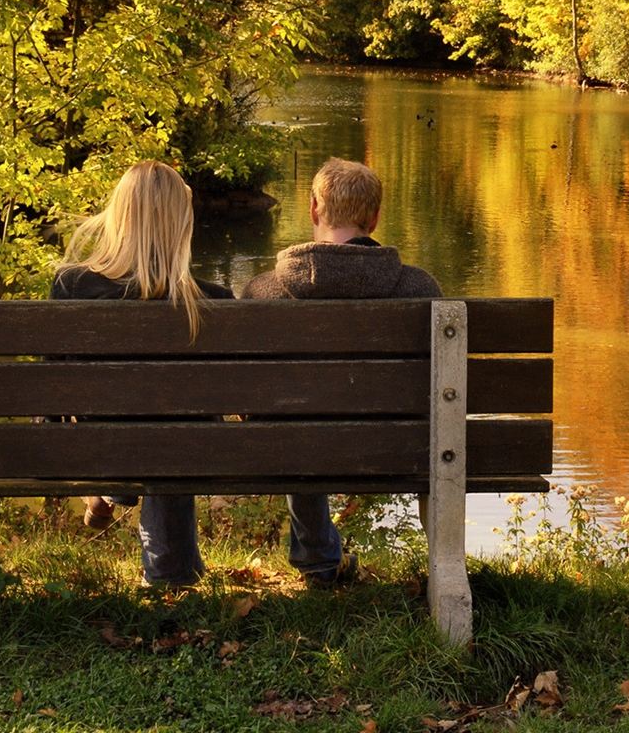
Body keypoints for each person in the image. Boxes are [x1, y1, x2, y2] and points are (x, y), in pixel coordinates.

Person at [241, 157, 441, 587]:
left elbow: (247, 397)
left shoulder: (262, 292)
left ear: (313, 210)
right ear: (374, 217)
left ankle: (317, 560)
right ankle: (443, 569)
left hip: (284, 451)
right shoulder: (420, 290)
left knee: (295, 422)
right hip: (401, 450)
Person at [50, 160, 232, 587]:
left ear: (119, 216)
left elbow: (55, 387)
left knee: (141, 427)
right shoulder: (213, 300)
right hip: (185, 451)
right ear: (181, 225)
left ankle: (106, 490)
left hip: (103, 444)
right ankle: (170, 573)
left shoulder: (71, 287)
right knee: (176, 430)